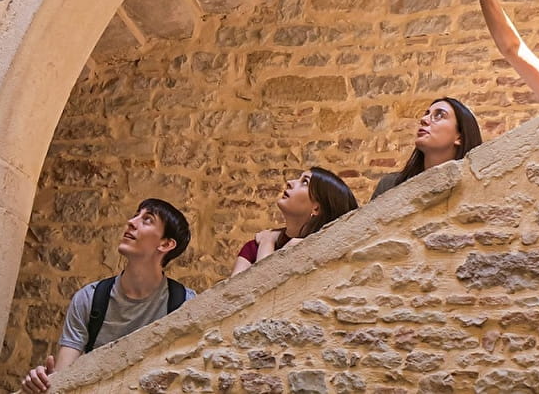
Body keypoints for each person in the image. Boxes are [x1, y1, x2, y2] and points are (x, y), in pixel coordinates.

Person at [22, 198, 194, 392]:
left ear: (165, 244)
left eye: (147, 219)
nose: (131, 222)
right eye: (136, 214)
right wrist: (41, 382)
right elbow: (63, 375)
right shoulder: (90, 299)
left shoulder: (185, 304)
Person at [232, 167, 358, 275]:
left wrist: (267, 242)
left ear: (316, 208)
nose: (290, 182)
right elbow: (232, 297)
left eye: (304, 182)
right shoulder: (253, 247)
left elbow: (265, 288)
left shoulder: (315, 254)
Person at [372, 98, 483, 198]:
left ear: (459, 137)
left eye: (439, 115)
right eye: (427, 114)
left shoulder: (475, 193)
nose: (424, 119)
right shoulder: (390, 186)